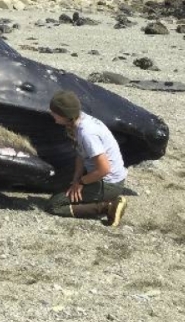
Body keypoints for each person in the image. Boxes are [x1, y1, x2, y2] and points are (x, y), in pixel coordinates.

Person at [45, 90, 128, 227]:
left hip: (108, 183)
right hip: (102, 177)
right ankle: (104, 199)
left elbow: (104, 169)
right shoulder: (80, 121)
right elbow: (81, 155)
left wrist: (81, 183)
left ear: (65, 115)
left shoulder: (87, 133)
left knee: (54, 205)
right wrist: (76, 179)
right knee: (63, 187)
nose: (51, 113)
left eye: (54, 112)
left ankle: (108, 206)